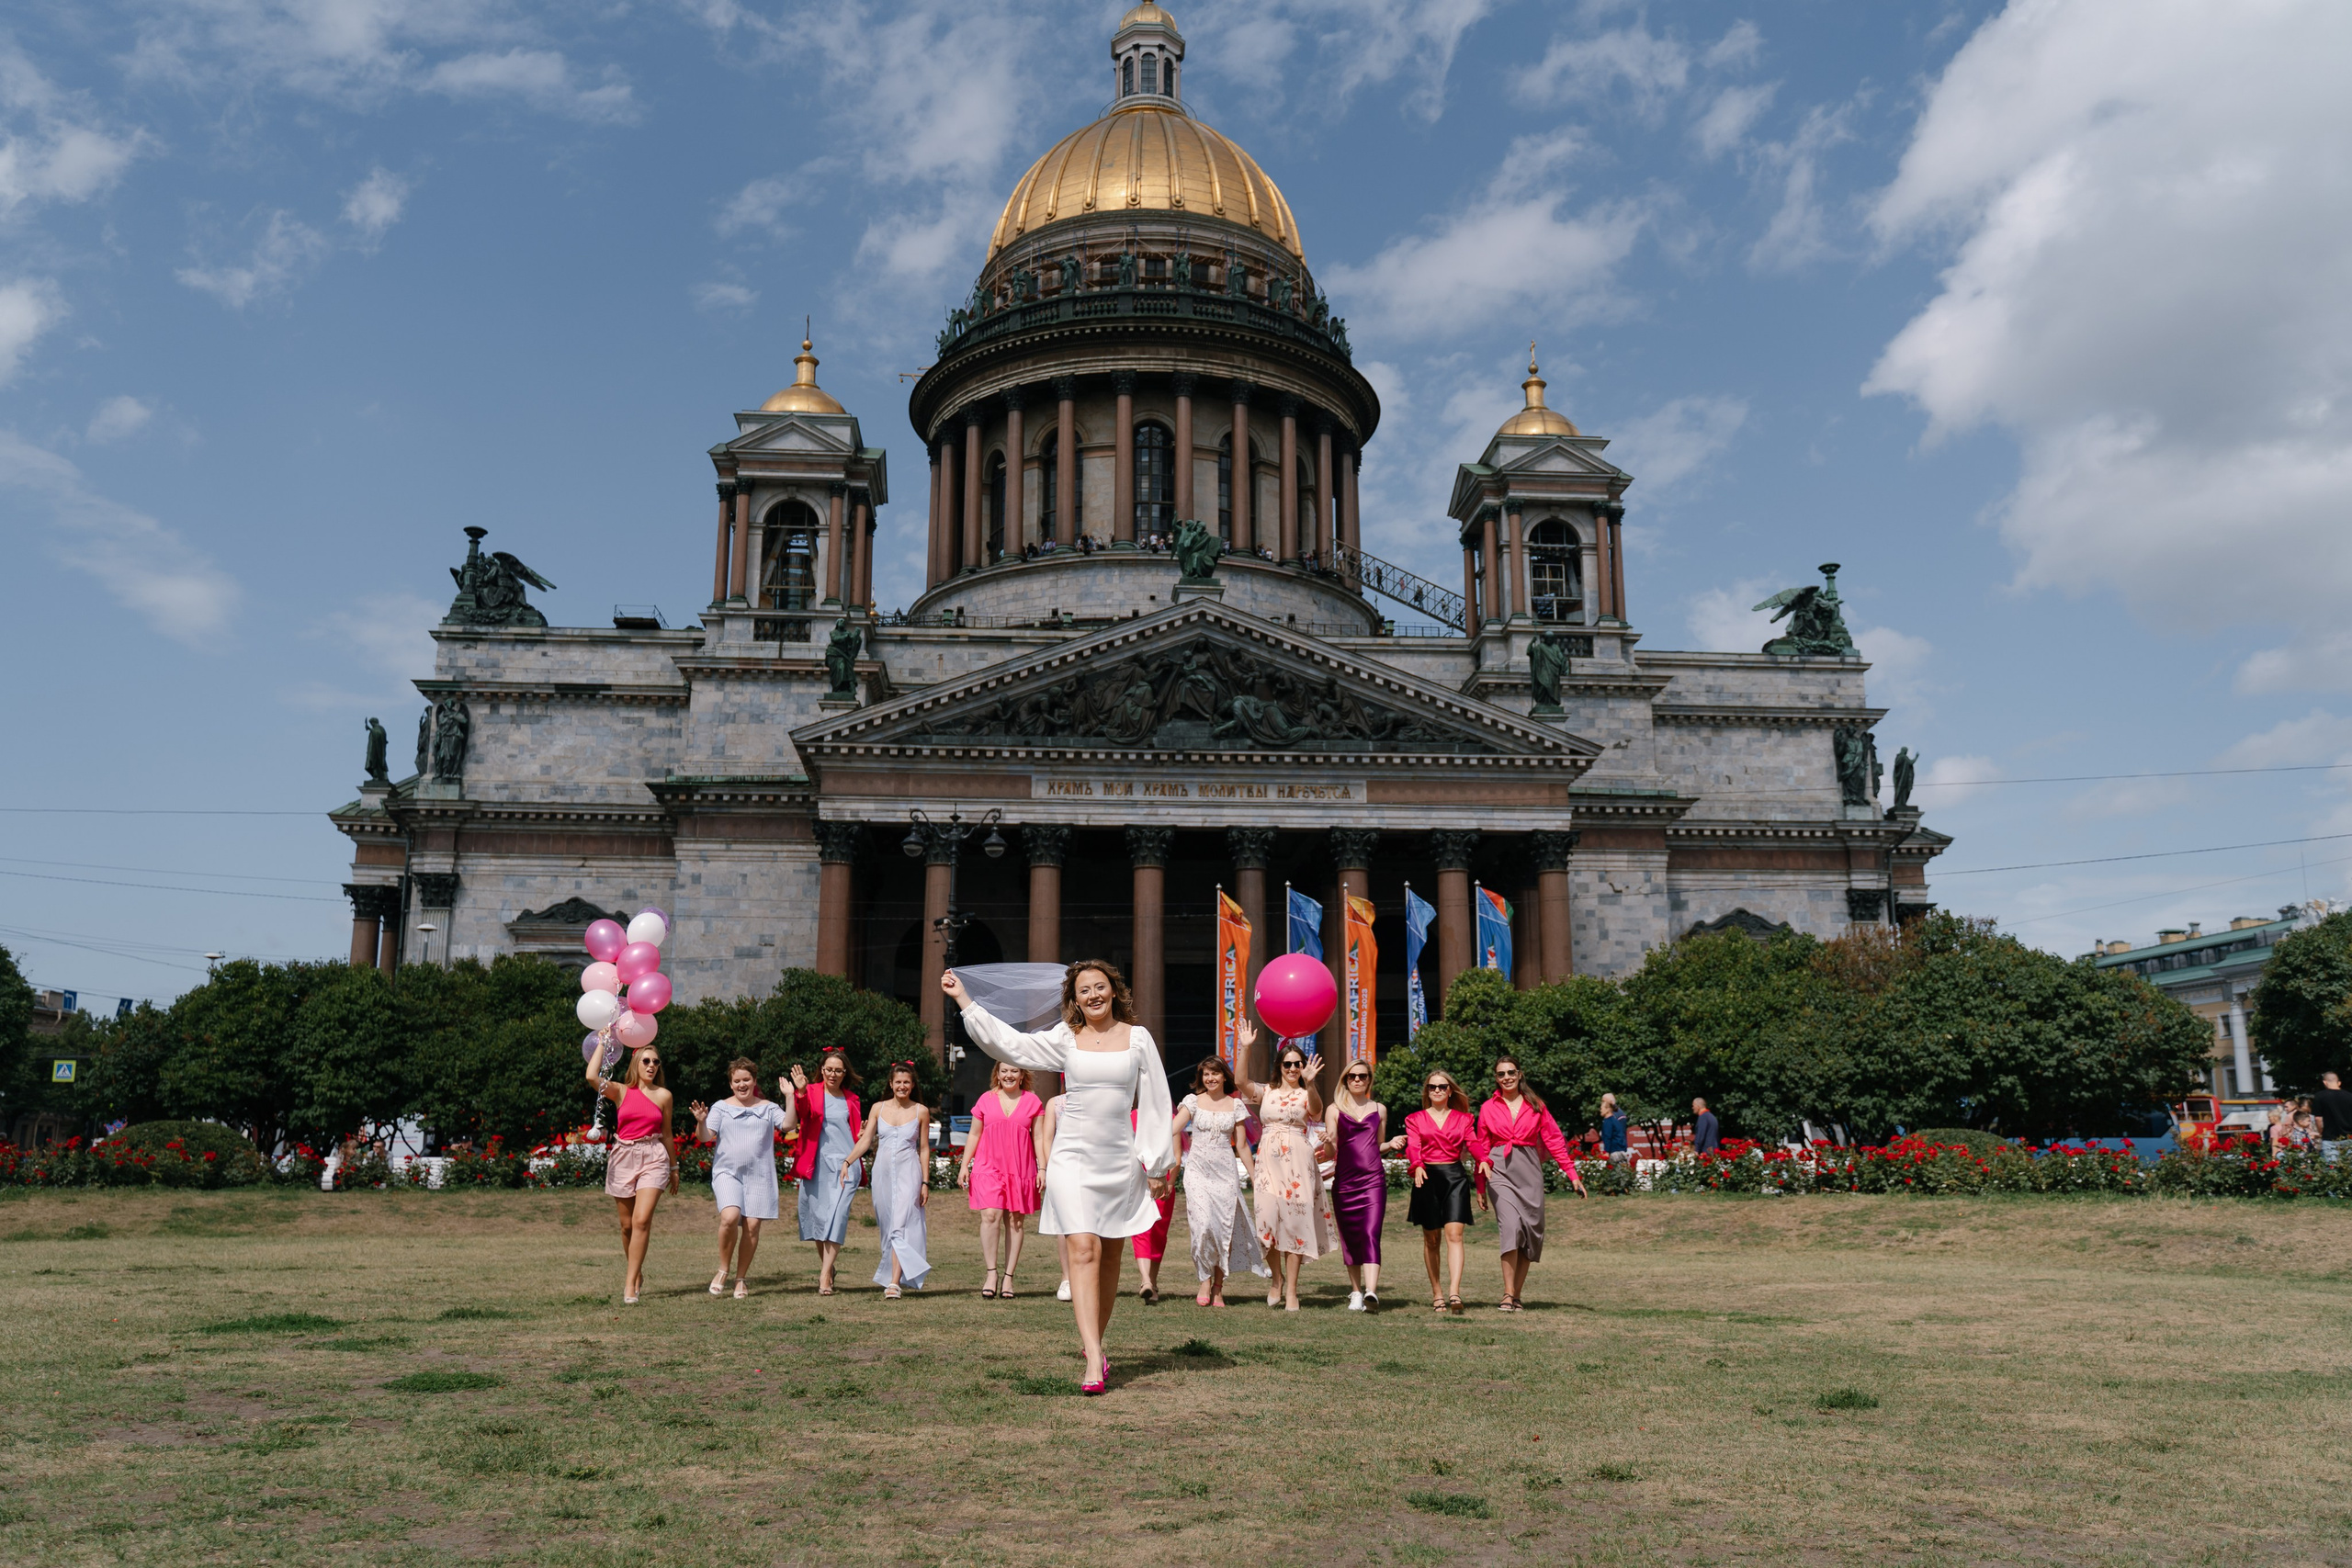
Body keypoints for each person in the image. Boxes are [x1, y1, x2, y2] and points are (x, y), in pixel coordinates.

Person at [946, 961, 1175, 1394]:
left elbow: (1157, 1100)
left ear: (1114, 991)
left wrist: (1157, 1164)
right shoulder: (1064, 1039)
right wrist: (965, 1001)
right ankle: (1092, 1358)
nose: (1093, 995)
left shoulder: (1138, 1038)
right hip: (1072, 1159)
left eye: (1100, 987)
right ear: (1074, 999)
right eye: (1084, 990)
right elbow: (1011, 1045)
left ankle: (1098, 1345)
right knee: (1083, 1250)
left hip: (1119, 1161)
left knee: (1110, 1255)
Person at [1234, 1020, 1338, 1312]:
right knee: (1267, 1220)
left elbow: (1316, 1111)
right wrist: (1245, 1047)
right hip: (1267, 1161)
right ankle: (1276, 1280)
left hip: (1298, 1163)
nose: (1293, 1069)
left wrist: (1312, 1082)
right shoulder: (1266, 1092)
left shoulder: (1306, 1094)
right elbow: (1241, 1082)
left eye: (1298, 1065)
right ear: (1279, 1065)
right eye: (1288, 1064)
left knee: (1294, 1223)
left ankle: (1291, 1290)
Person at [1473, 1055, 1586, 1313]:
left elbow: (1555, 1140)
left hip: (1529, 1170)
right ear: (1496, 1078)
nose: (1507, 1078)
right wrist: (1480, 1186)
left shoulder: (1536, 1105)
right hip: (1498, 1168)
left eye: (1511, 1072)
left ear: (1520, 1074)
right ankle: (1506, 1293)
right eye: (1501, 1074)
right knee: (1511, 1227)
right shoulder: (1488, 1107)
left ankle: (1516, 1295)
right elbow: (1481, 1147)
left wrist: (1573, 1175)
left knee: (1530, 1233)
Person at [689, 1058, 796, 1299]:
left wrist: (790, 1096)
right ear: (731, 1084)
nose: (742, 1084)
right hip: (728, 1172)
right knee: (729, 1216)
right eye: (737, 1081)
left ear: (754, 1081)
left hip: (759, 1175)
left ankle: (740, 1279)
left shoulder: (768, 1107)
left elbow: (789, 1125)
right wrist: (702, 1122)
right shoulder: (721, 1107)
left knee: (753, 1225)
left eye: (746, 1079)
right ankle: (723, 1270)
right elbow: (706, 1137)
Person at [585, 1042, 679, 1305]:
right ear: (636, 1064)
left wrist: (674, 1167)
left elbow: (668, 1134)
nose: (651, 1066)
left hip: (654, 1157)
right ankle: (637, 1273)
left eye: (656, 1062)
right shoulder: (621, 1091)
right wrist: (603, 1043)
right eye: (646, 1061)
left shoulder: (664, 1096)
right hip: (623, 1157)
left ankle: (629, 1285)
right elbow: (592, 1076)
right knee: (626, 1226)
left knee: (641, 1221)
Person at [1170, 1056, 1268, 1306]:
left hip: (1225, 1172)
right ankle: (1204, 1278)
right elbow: (1171, 1128)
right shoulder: (1192, 1101)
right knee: (1203, 1226)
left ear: (1225, 1076)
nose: (1210, 1078)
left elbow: (1243, 1145)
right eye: (1205, 1074)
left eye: (1215, 1074)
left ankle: (1218, 1286)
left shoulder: (1235, 1105)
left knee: (1224, 1228)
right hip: (1198, 1172)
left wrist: (1255, 1176)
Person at [842, 1062, 931, 1297]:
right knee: (888, 1226)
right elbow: (866, 1140)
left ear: (912, 1085)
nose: (902, 1086)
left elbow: (924, 1149)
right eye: (898, 1082)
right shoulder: (877, 1109)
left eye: (907, 1082)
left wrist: (925, 1182)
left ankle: (894, 1283)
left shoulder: (920, 1111)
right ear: (891, 1084)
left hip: (909, 1173)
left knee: (900, 1226)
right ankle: (894, 1275)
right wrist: (848, 1161)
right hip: (881, 1173)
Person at [956, 1060, 1043, 1299]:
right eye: (1004, 1070)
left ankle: (1009, 1278)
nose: (1009, 1075)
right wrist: (965, 1165)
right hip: (988, 1166)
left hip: (1020, 1168)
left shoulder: (1033, 1102)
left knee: (1015, 1221)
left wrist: (1042, 1168)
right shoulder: (986, 1099)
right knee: (990, 1216)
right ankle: (991, 1273)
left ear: (1022, 1075)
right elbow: (974, 1133)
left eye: (1014, 1070)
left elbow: (1038, 1138)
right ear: (997, 1073)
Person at [1398, 1068, 1476, 1314]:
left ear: (1450, 1090)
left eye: (1442, 1087)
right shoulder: (1415, 1118)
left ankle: (1454, 1293)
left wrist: (1484, 1159)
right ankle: (1437, 1293)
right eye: (1433, 1087)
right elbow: (1413, 1146)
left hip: (1455, 1177)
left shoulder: (1464, 1119)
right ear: (1427, 1091)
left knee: (1455, 1235)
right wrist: (1417, 1165)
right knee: (1432, 1239)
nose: (1438, 1090)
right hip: (1426, 1177)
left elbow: (1474, 1143)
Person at [789, 1052, 865, 1295]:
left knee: (837, 1216)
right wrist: (799, 1092)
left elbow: (854, 1130)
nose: (833, 1074)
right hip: (817, 1164)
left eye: (838, 1071)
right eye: (829, 1069)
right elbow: (802, 1114)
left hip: (846, 1164)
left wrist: (862, 1137)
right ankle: (829, 1269)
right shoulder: (810, 1091)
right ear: (822, 1070)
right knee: (821, 1221)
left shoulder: (852, 1098)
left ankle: (823, 1275)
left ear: (845, 1074)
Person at [1326, 1059, 1389, 1312]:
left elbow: (1378, 1145)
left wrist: (1392, 1143)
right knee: (1350, 1237)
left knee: (1371, 1234)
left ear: (1369, 1080)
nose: (1357, 1081)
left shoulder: (1380, 1109)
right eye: (1352, 1077)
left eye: (1362, 1076)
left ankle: (1371, 1292)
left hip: (1373, 1180)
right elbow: (1332, 1148)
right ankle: (1355, 1291)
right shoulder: (1334, 1109)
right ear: (1345, 1080)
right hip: (1345, 1182)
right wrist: (1328, 1141)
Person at [1131, 1107, 1178, 1303]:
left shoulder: (1171, 1117)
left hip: (1164, 1179)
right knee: (1141, 1230)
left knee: (1158, 1233)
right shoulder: (1131, 1116)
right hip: (1138, 1180)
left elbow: (1177, 1153)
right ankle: (1145, 1281)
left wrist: (1170, 1182)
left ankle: (1153, 1282)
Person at [1038, 1091, 1071, 1302]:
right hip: (1064, 1167)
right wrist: (1053, 1168)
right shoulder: (1056, 1103)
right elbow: (1047, 1138)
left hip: (1093, 1167)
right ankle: (1067, 1278)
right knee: (1065, 1224)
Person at [2311, 1072, 2352, 1161]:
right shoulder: (2350, 1096)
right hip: (2349, 1137)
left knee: (2331, 1169)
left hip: (2329, 1138)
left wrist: (2321, 1131)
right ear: (2339, 1083)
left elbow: (2318, 1118)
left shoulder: (2320, 1096)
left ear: (2324, 1082)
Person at [1599, 1093, 1629, 1160]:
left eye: (1603, 1101)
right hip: (1621, 1149)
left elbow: (1608, 1136)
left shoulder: (1609, 1120)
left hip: (1614, 1150)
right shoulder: (1615, 1118)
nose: (1600, 1110)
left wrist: (1607, 1151)